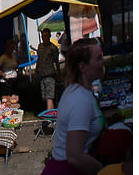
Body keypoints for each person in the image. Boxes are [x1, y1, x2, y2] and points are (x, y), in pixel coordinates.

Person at [41, 38, 106, 175]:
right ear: (83, 67)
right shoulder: (80, 100)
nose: (103, 61)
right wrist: (105, 171)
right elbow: (75, 156)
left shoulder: (77, 91)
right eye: (99, 58)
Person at [36, 29, 62, 111]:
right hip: (42, 75)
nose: (44, 38)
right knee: (44, 97)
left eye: (46, 36)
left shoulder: (53, 48)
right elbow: (39, 59)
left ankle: (49, 114)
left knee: (49, 97)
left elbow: (56, 62)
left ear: (49, 36)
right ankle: (51, 111)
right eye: (43, 36)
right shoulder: (40, 46)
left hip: (50, 74)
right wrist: (36, 72)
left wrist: (59, 74)